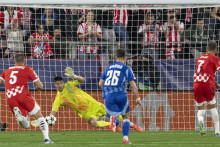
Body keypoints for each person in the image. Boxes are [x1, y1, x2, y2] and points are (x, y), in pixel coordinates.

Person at [32, 67, 143, 132]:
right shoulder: (58, 99)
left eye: (61, 83)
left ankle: (133, 126)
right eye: (57, 84)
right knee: (93, 123)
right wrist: (44, 120)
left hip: (93, 104)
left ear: (63, 82)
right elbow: (53, 113)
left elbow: (82, 80)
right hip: (85, 112)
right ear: (55, 85)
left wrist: (75, 76)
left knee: (117, 115)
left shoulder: (69, 85)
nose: (60, 85)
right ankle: (111, 124)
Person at [0, 53, 53, 144]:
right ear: (24, 60)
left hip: (10, 97)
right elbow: (40, 86)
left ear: (14, 61)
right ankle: (47, 139)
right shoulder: (28, 69)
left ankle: (20, 116)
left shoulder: (7, 70)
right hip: (23, 95)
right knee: (39, 116)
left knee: (26, 125)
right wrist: (38, 88)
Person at [99, 49, 143, 144]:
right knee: (126, 117)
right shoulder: (126, 68)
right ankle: (125, 139)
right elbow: (133, 84)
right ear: (126, 57)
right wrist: (138, 98)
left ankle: (113, 121)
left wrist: (107, 91)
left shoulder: (108, 68)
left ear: (115, 57)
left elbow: (100, 84)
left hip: (109, 95)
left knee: (116, 118)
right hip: (121, 94)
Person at [193, 41, 220, 136]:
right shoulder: (215, 58)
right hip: (208, 85)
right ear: (216, 50)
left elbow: (204, 73)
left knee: (200, 108)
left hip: (197, 85)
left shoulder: (199, 58)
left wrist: (215, 83)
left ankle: (201, 128)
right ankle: (217, 131)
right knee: (212, 106)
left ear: (206, 49)